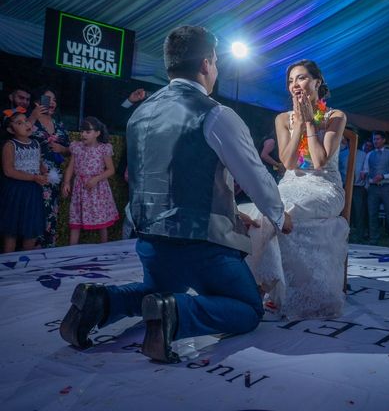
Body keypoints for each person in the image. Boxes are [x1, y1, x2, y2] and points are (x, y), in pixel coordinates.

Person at [59, 25, 291, 364]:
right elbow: (255, 176)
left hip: (151, 239)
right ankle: (176, 315)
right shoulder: (215, 113)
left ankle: (102, 301)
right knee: (247, 308)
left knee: (155, 291)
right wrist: (281, 216)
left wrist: (227, 208)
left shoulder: (140, 115)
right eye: (215, 61)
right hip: (202, 244)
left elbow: (164, 178)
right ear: (207, 64)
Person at [243, 59, 348, 320]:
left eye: (301, 78)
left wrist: (310, 121)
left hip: (324, 187)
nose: (295, 85)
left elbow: (320, 160)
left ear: (317, 82)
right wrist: (298, 123)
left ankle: (259, 288)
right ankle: (260, 283)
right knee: (262, 211)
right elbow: (288, 162)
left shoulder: (335, 116)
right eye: (290, 81)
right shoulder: (282, 119)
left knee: (281, 212)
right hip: (290, 182)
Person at [62, 117, 119, 245]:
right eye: (82, 131)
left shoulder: (104, 149)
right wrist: (66, 182)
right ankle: (71, 249)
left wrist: (96, 179)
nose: (83, 134)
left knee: (101, 218)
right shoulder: (76, 147)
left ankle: (104, 247)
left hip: (97, 189)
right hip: (80, 187)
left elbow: (111, 170)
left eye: (87, 132)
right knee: (76, 217)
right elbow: (71, 167)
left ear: (97, 133)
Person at [0, 108, 48, 252]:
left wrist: (44, 171)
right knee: (12, 230)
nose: (26, 124)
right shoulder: (10, 145)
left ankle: (26, 266)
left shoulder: (36, 144)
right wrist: (33, 177)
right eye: (19, 123)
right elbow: (8, 171)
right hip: (15, 191)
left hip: (33, 191)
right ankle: (8, 265)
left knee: (31, 229)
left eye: (26, 120)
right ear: (10, 129)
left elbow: (38, 165)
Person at [29, 86, 70, 247]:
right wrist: (32, 117)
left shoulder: (58, 124)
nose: (52, 102)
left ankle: (47, 251)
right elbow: (18, 136)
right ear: (37, 102)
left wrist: (62, 149)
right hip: (34, 175)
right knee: (34, 213)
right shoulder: (28, 120)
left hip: (54, 177)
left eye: (54, 99)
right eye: (47, 99)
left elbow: (69, 149)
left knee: (51, 213)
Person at [361, 131, 389, 246]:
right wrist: (364, 173)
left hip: (386, 187)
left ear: (383, 140)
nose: (375, 141)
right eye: (374, 139)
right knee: (372, 214)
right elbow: (367, 169)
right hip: (373, 188)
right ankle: (373, 239)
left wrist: (383, 176)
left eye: (378, 139)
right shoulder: (369, 155)